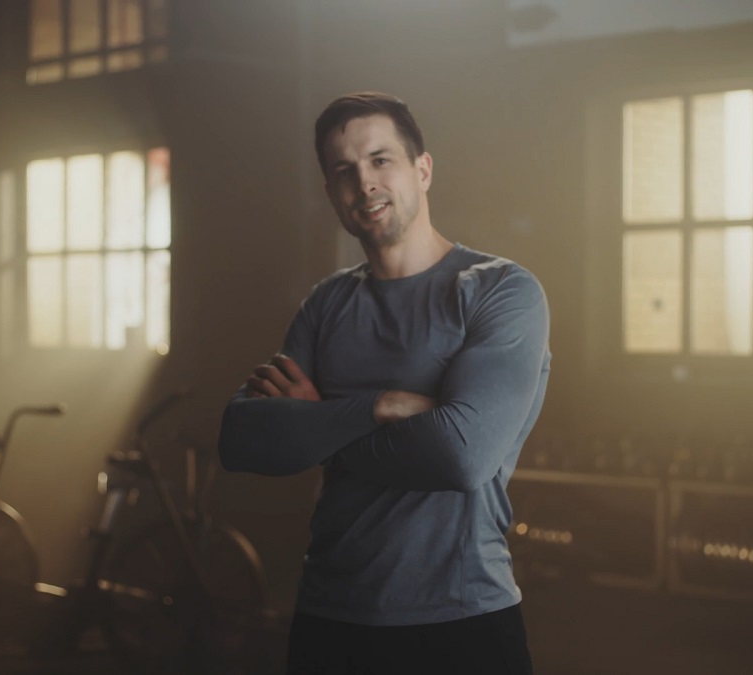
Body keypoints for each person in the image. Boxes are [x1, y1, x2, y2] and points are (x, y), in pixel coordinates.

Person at [218, 91, 550, 674]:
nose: (363, 183)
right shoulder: (327, 303)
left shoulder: (500, 290)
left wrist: (318, 422)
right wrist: (383, 406)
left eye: (380, 160)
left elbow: (461, 456)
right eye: (343, 170)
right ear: (330, 194)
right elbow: (242, 439)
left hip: (462, 618)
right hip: (331, 617)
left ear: (423, 170)